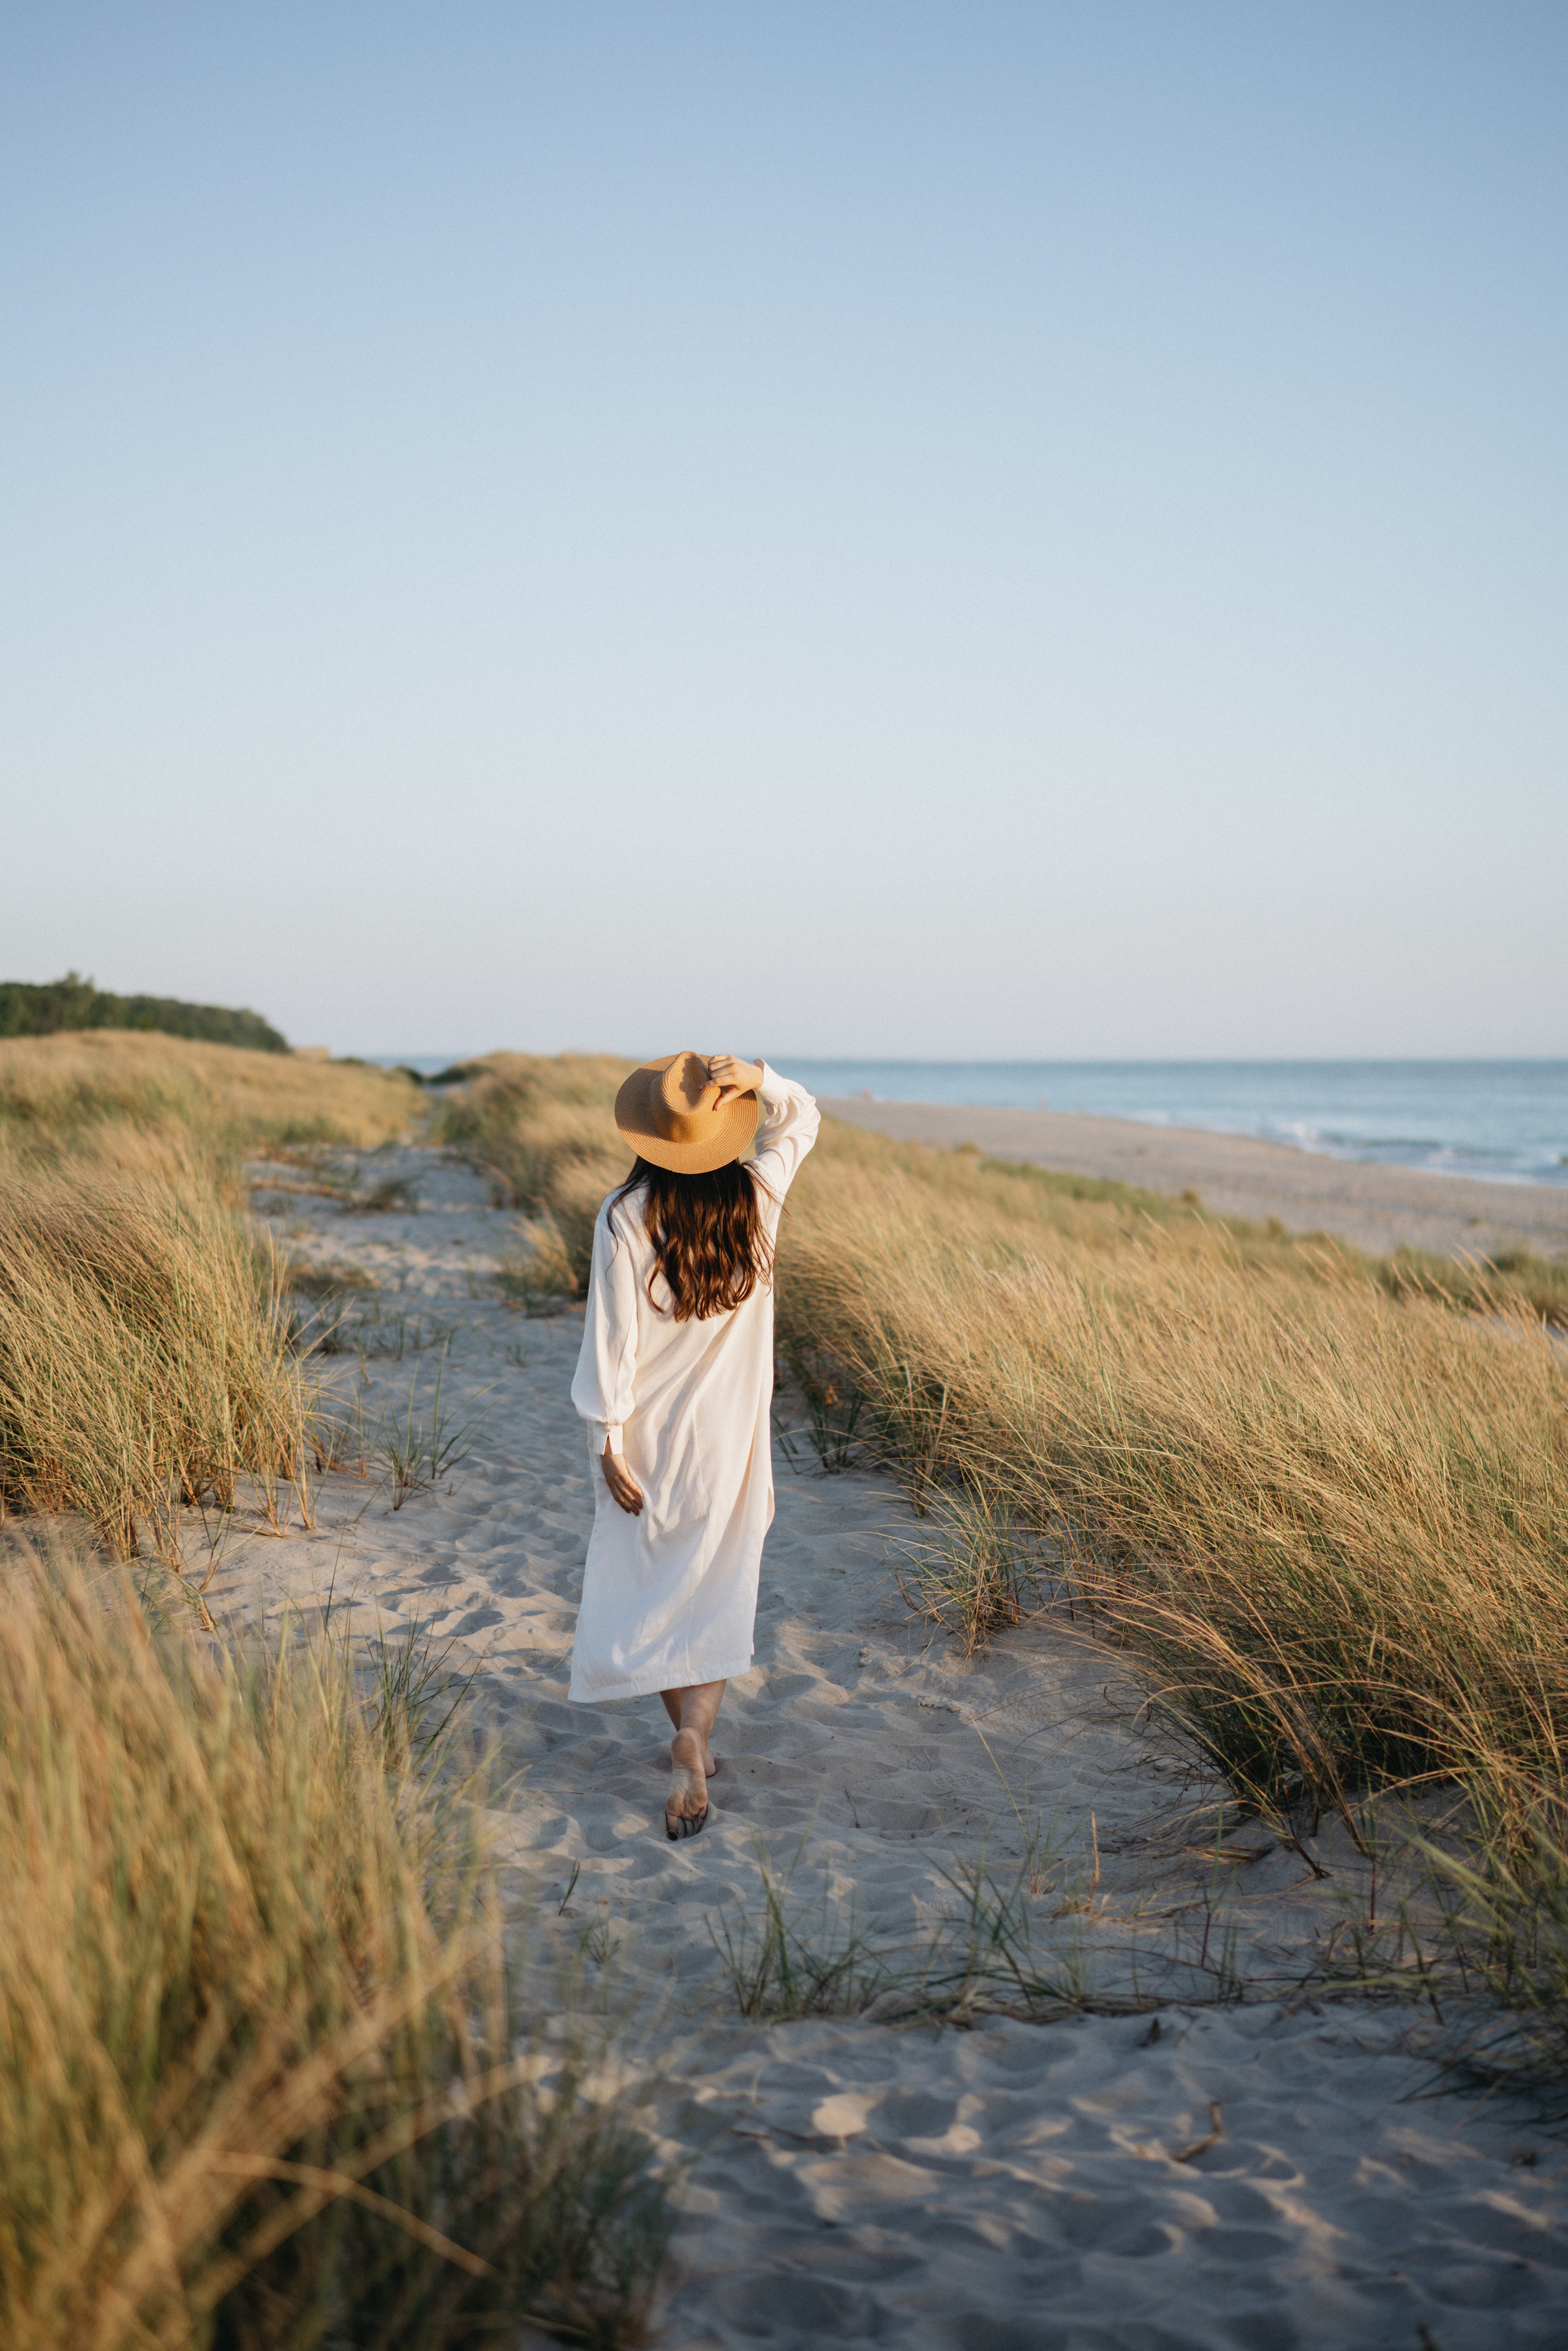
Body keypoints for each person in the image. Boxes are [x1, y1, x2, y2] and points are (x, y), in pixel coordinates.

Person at [568, 1051, 820, 1838]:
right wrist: (761, 1080)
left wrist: (608, 1436)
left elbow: (611, 1337)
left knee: (651, 1583)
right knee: (717, 1580)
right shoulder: (757, 1194)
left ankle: (683, 1729)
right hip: (729, 1435)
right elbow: (803, 1118)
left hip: (645, 1429)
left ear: (649, 1135)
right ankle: (698, 1737)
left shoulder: (622, 1212)